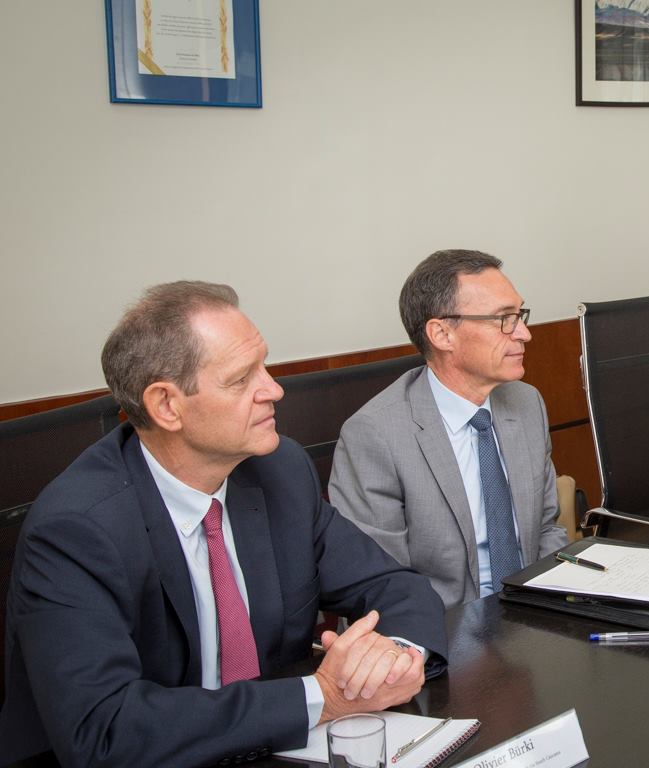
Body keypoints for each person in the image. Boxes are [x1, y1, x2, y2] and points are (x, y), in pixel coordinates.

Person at [0, 282, 447, 768]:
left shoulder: (279, 471)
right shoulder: (76, 530)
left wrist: (393, 658)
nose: (274, 389)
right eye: (240, 379)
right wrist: (321, 697)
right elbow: (104, 730)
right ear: (166, 405)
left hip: (273, 749)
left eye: (264, 366)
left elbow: (396, 587)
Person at [330, 250, 567, 610]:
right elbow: (383, 584)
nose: (524, 333)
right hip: (443, 625)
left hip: (536, 610)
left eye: (520, 315)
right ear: (442, 334)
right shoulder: (375, 435)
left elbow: (547, 528)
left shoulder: (525, 402)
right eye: (504, 319)